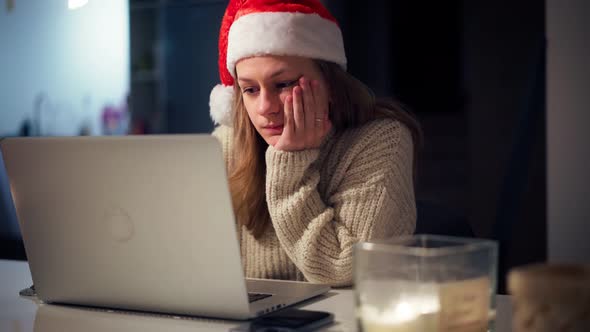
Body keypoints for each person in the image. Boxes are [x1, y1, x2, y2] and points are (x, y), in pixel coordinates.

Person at [208, 0, 422, 287]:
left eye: (283, 84)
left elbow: (341, 271)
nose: (265, 107)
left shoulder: (382, 140)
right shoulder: (226, 144)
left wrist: (291, 162)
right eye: (250, 89)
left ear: (331, 83)